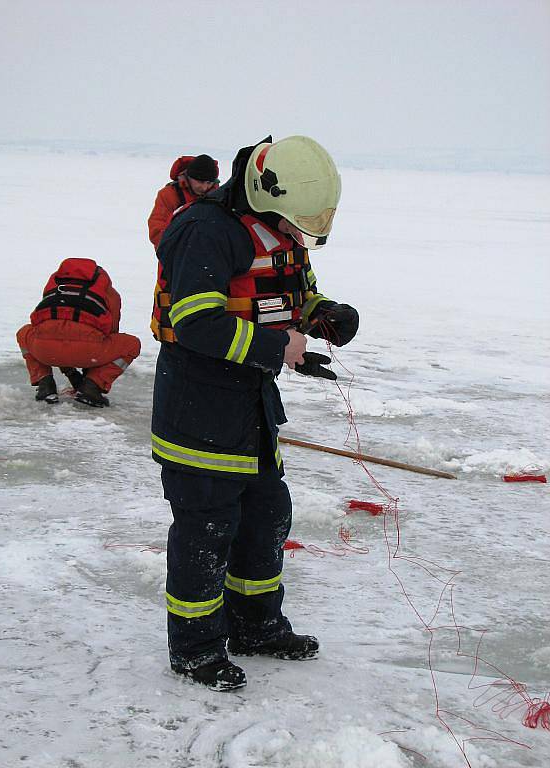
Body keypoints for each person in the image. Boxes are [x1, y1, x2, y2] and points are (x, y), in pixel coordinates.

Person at [151, 135, 359, 691]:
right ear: (268, 195)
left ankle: (256, 627)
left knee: (267, 516)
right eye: (295, 224)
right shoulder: (205, 231)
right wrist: (278, 348)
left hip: (252, 407)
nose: (299, 236)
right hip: (199, 407)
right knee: (206, 527)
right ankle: (195, 649)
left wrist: (322, 315)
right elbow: (196, 323)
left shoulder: (279, 227)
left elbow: (293, 293)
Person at [17, 258, 141, 407]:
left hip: (44, 349)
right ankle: (93, 386)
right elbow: (111, 330)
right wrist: (86, 374)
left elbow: (51, 325)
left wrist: (70, 372)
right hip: (90, 351)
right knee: (131, 345)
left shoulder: (55, 285)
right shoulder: (107, 291)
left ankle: (45, 383)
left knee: (24, 333)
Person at [147, 154, 219, 250]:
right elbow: (156, 231)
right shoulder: (169, 195)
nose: (204, 187)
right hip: (175, 257)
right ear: (189, 177)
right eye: (200, 182)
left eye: (209, 183)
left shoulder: (219, 198)